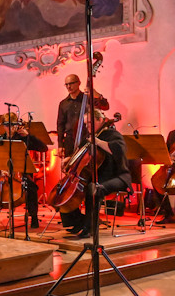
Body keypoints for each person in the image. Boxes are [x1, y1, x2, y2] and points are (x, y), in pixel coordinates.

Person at [56, 73, 110, 231]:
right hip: (70, 143)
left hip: (87, 143)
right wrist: (60, 145)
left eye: (71, 83)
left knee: (86, 181)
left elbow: (105, 106)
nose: (69, 87)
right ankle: (75, 220)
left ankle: (90, 219)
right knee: (70, 182)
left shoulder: (87, 99)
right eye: (66, 84)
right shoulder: (63, 104)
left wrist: (94, 92)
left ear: (78, 83)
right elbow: (60, 125)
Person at [73, 109, 131, 238]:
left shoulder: (112, 134)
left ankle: (90, 228)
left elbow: (120, 150)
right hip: (99, 176)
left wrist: (98, 142)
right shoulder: (89, 137)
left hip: (118, 176)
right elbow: (78, 154)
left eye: (90, 123)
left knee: (93, 188)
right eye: (86, 124)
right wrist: (69, 160)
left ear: (100, 120)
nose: (87, 126)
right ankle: (77, 222)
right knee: (74, 190)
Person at [0, 112, 48, 229]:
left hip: (21, 174)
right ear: (3, 126)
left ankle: (33, 217)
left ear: (17, 125)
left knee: (32, 188)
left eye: (12, 125)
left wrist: (29, 136)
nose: (10, 128)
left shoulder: (22, 138)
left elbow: (43, 148)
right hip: (4, 173)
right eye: (7, 125)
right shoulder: (1, 139)